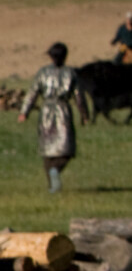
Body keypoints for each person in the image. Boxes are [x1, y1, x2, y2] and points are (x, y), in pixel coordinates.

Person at [17, 42, 89, 194]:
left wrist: (24, 112)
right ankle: (55, 175)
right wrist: (84, 114)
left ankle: (53, 180)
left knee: (48, 148)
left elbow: (33, 93)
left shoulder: (43, 72)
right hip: (63, 111)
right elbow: (79, 96)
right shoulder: (71, 73)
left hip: (46, 112)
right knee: (66, 148)